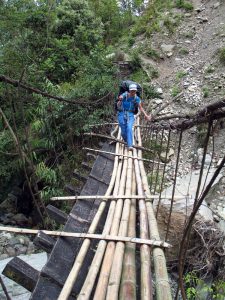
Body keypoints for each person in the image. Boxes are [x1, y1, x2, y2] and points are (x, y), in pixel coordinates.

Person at [117, 83, 151, 150]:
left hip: (130, 115)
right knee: (123, 132)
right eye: (132, 91)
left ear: (136, 91)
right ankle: (127, 141)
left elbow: (140, 108)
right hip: (122, 113)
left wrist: (146, 115)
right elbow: (120, 98)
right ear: (129, 90)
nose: (133, 92)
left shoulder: (136, 98)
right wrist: (120, 99)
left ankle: (130, 145)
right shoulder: (125, 95)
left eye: (134, 91)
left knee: (129, 128)